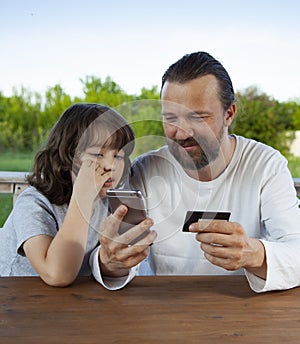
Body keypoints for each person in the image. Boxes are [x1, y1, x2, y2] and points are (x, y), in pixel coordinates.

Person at [92, 52, 300, 293]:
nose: (181, 133)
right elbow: (119, 260)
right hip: (166, 309)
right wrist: (110, 262)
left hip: (245, 310)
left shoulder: (266, 165)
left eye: (198, 117)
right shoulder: (144, 170)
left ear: (228, 114)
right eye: (170, 118)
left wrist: (255, 255)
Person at [0, 103, 155, 288]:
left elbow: (105, 265)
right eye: (98, 154)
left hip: (75, 301)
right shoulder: (33, 203)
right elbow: (57, 274)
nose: (110, 166)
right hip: (16, 298)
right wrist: (83, 197)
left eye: (118, 156)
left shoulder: (110, 205)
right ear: (67, 157)